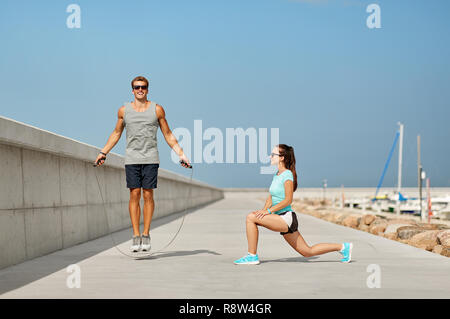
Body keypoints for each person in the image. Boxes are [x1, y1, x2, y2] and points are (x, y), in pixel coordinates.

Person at [94, 76, 191, 252]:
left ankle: (146, 234)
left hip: (151, 158)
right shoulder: (124, 111)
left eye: (143, 87)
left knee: (147, 195)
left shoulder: (157, 109)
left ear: (147, 89)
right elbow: (116, 133)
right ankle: (135, 235)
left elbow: (168, 134)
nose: (140, 90)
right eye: (137, 87)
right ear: (132, 90)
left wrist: (181, 154)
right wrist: (103, 152)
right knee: (134, 194)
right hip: (132, 158)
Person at [234, 144, 352, 265]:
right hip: (280, 217)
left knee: (250, 217)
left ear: (282, 158)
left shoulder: (287, 175)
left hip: (286, 218)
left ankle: (252, 256)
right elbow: (271, 197)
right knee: (307, 252)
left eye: (273, 154)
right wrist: (263, 210)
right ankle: (343, 247)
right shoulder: (277, 175)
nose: (270, 156)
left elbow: (288, 200)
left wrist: (267, 212)